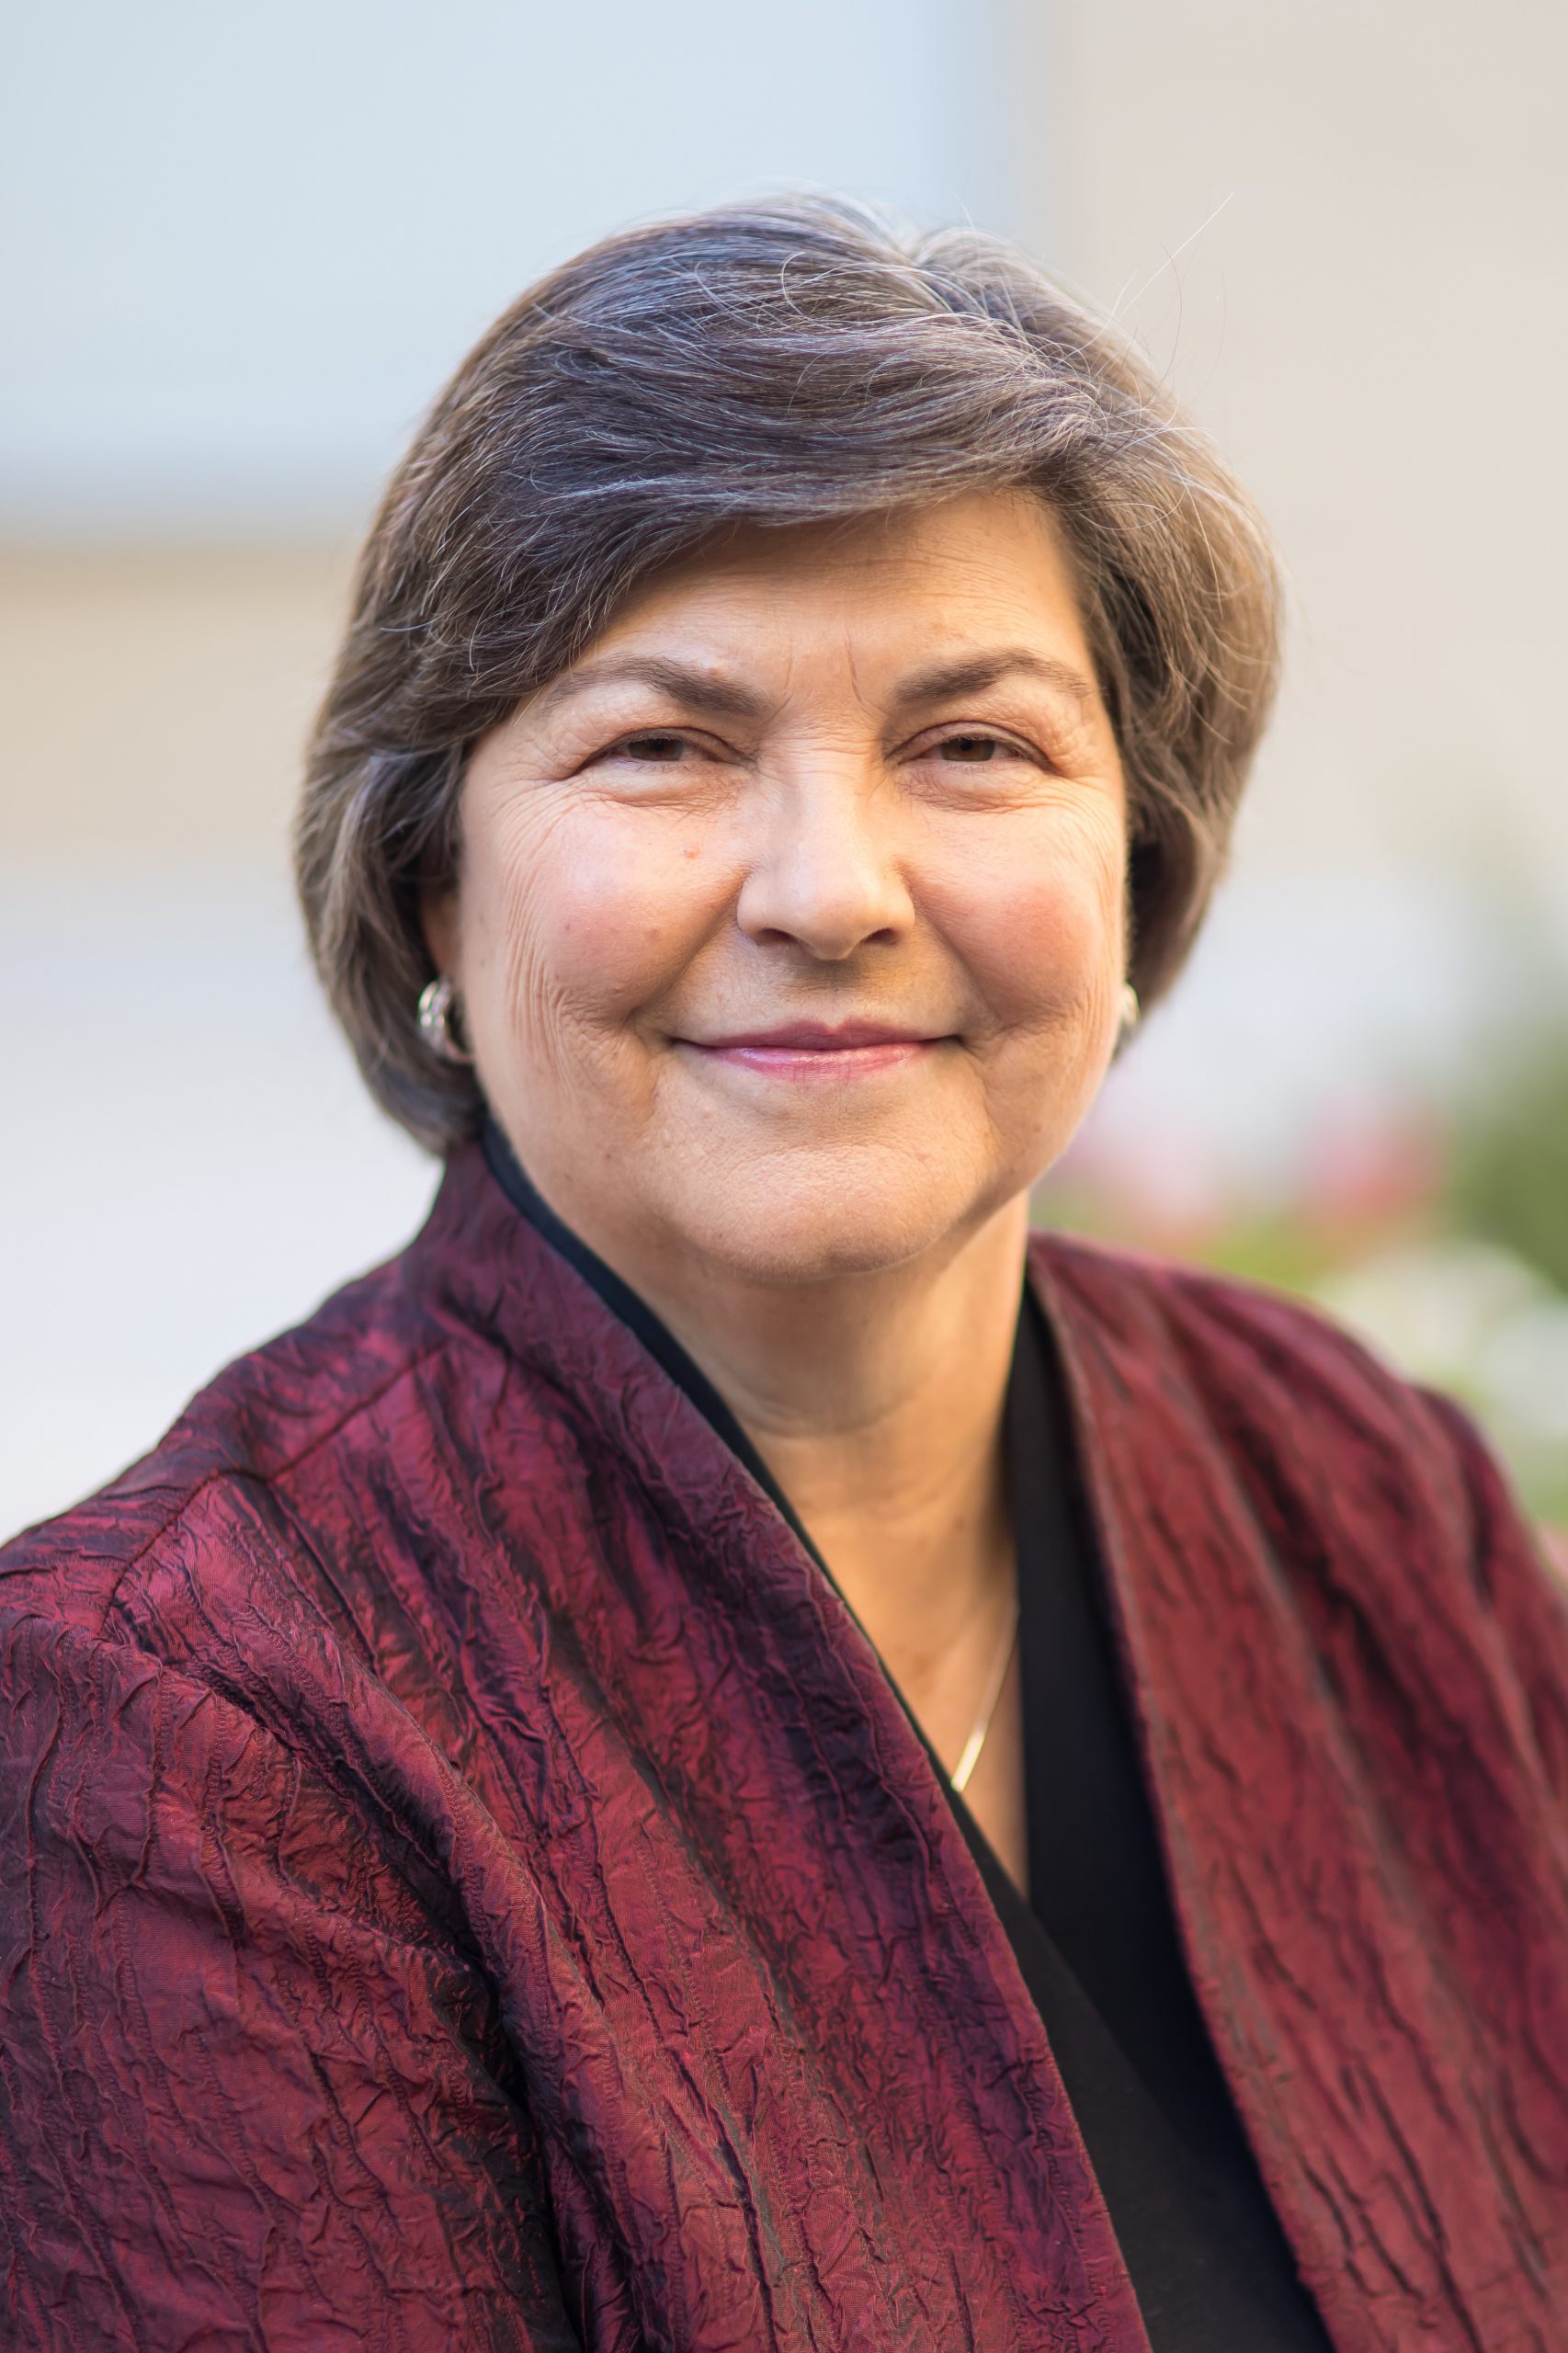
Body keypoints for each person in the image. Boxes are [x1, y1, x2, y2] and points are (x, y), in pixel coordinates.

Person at [3, 198, 1565, 2353]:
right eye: (663, 743)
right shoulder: (176, 1720)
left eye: (975, 743)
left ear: (1139, 865)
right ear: (434, 886)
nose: (830, 889)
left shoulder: (1358, 1482)